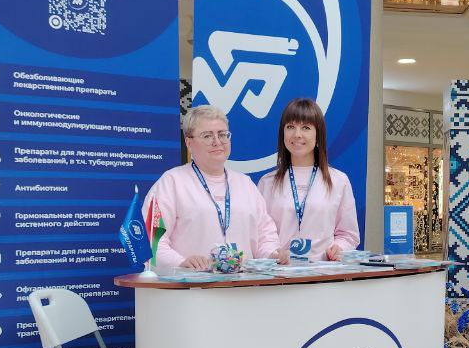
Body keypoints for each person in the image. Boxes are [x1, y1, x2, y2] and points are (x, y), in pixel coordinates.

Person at [152, 106, 286, 270]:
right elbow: (153, 239)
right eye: (207, 136)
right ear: (189, 142)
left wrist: (272, 255)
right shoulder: (172, 182)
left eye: (222, 134)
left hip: (244, 283)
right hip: (192, 282)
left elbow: (265, 234)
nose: (217, 142)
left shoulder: (245, 184)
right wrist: (180, 262)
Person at [258, 97, 360, 262]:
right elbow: (261, 234)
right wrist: (273, 254)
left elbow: (348, 234)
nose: (297, 134)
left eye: (305, 127)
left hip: (324, 272)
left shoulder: (338, 181)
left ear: (318, 134)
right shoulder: (267, 182)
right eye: (290, 127)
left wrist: (339, 248)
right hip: (280, 272)